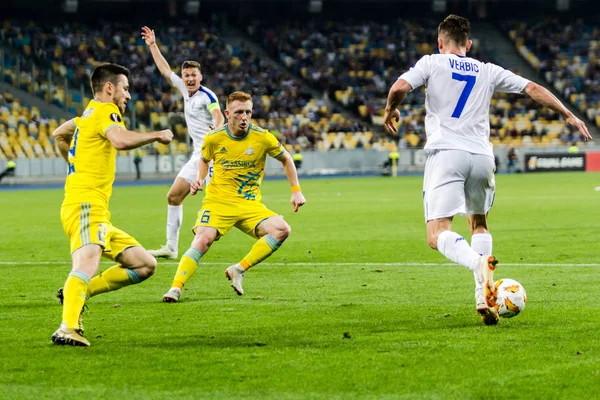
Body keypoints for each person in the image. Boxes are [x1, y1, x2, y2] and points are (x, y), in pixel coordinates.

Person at [383, 14, 591, 325]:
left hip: (448, 153)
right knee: (478, 224)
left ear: (441, 43)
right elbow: (532, 87)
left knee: (437, 233)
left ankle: (477, 265)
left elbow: (400, 87)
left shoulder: (431, 62)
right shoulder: (487, 69)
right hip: (482, 156)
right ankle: (485, 294)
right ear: (468, 44)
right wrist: (568, 114)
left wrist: (391, 108)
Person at [51, 63, 173, 346]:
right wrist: (156, 135)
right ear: (109, 88)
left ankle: (79, 293)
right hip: (86, 206)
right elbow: (118, 140)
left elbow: (59, 134)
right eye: (125, 89)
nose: (128, 95)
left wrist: (72, 164)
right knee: (86, 263)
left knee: (144, 264)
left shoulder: (86, 115)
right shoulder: (105, 110)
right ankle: (67, 327)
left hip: (94, 210)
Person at [162, 91, 306, 302]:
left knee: (282, 230)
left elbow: (286, 159)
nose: (244, 117)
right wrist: (200, 179)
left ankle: (239, 269)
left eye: (248, 112)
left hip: (249, 203)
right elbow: (203, 159)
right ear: (227, 113)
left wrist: (296, 190)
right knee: (202, 240)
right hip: (218, 201)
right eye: (239, 112)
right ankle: (175, 288)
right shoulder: (215, 138)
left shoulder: (262, 137)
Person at [141, 26, 225, 260]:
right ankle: (171, 247)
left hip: (215, 157)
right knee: (174, 196)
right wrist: (153, 45)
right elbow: (165, 70)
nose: (189, 79)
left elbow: (218, 115)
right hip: (198, 155)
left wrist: (217, 128)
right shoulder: (185, 90)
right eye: (186, 75)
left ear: (201, 77)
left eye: (193, 75)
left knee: (221, 204)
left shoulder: (207, 96)